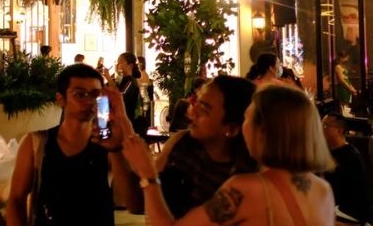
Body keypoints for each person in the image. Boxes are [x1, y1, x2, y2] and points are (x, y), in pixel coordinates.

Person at [122, 84, 336, 226]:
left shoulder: (246, 189)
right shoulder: (322, 190)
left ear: (264, 131)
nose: (243, 129)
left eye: (247, 118)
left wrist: (147, 174)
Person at [5, 63, 140, 226]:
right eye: (80, 94)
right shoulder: (37, 142)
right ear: (61, 99)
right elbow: (16, 198)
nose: (89, 101)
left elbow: (133, 203)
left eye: (95, 95)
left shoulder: (107, 143)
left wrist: (117, 148)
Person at [154, 75, 257, 218]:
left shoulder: (244, 181)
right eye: (196, 103)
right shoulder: (182, 144)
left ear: (231, 129)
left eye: (204, 109)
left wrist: (148, 177)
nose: (192, 112)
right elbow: (136, 203)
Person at [321, 114, 370, 224]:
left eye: (325, 125)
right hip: (337, 207)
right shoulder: (332, 151)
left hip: (349, 213)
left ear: (339, 131)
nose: (320, 127)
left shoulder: (349, 156)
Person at [115, 52, 142, 134]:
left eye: (121, 62)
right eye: (117, 62)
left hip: (127, 122)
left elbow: (120, 97)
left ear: (130, 65)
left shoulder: (130, 81)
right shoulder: (123, 80)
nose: (118, 64)